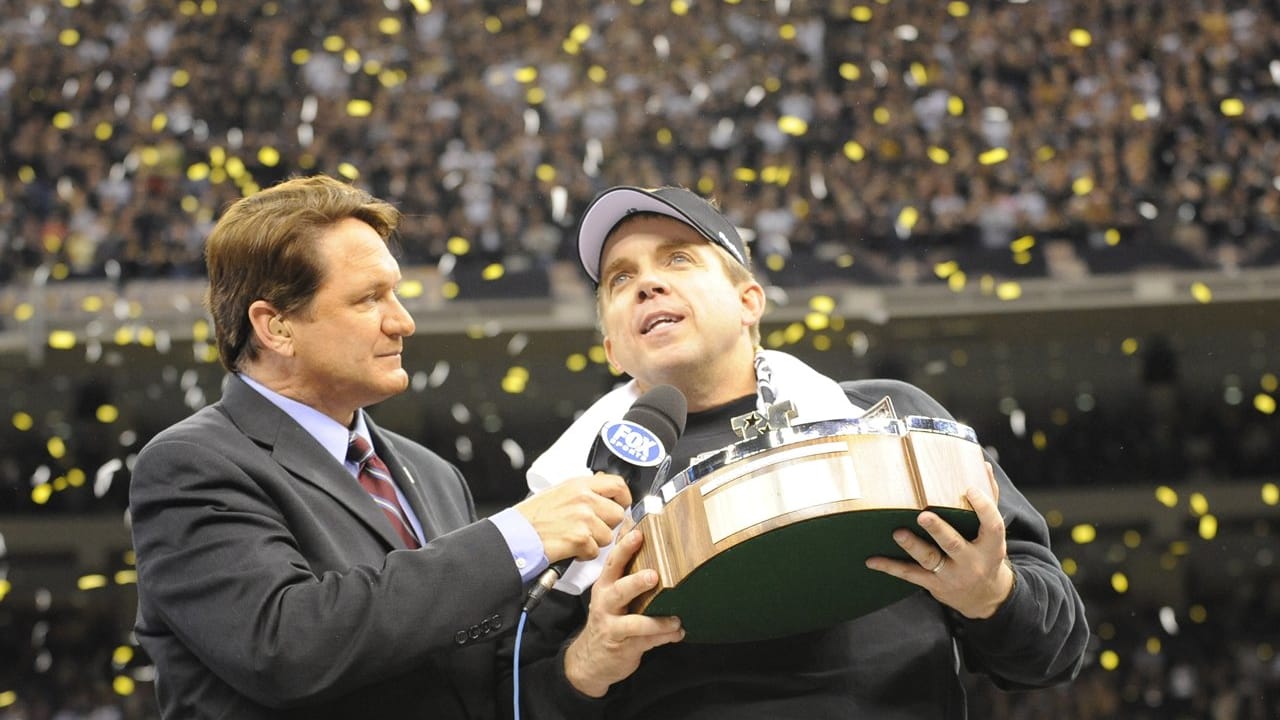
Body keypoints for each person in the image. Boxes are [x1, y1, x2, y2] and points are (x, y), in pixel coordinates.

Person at [514, 185, 1090, 717]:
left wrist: (992, 596)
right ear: (613, 348)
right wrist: (583, 665)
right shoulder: (572, 498)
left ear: (749, 301)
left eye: (678, 259)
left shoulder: (884, 418)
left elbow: (1051, 653)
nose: (646, 284)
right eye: (619, 279)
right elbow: (508, 698)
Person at [128, 175, 632, 719]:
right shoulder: (190, 465)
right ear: (275, 327)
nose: (403, 321)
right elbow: (286, 647)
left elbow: (480, 693)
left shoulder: (432, 475)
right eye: (370, 299)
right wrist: (516, 536)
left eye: (396, 293)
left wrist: (586, 663)